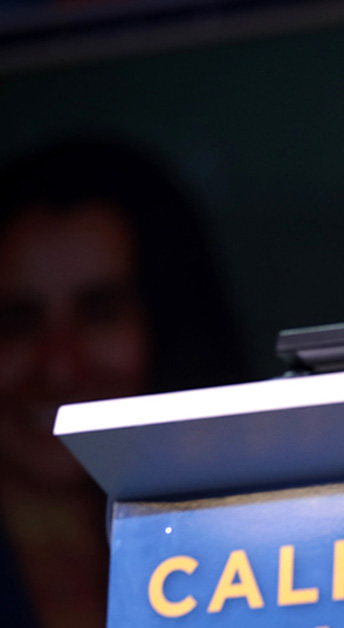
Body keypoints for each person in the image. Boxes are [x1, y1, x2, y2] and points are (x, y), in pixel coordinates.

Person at [0, 138, 247, 627]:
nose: (58, 367)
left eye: (99, 313)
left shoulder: (252, 559)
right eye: (17, 322)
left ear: (168, 327)